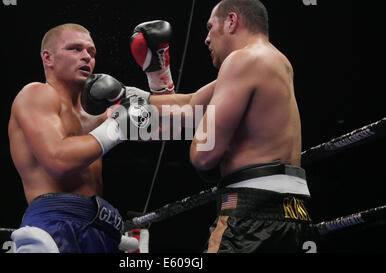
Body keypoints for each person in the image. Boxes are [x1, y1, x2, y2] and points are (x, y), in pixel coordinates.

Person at [130, 0, 316, 252]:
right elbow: (191, 102)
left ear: (231, 21)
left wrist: (207, 147)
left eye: (210, 27)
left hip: (251, 210)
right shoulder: (275, 60)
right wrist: (127, 95)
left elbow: (203, 156)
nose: (206, 39)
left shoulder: (240, 59)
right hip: (295, 211)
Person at [8, 23, 151, 253]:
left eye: (91, 52)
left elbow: (179, 118)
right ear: (48, 58)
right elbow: (59, 160)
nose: (86, 57)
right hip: (56, 223)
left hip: (100, 226)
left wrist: (158, 73)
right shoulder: (36, 94)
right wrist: (118, 126)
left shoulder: (102, 113)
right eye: (75, 49)